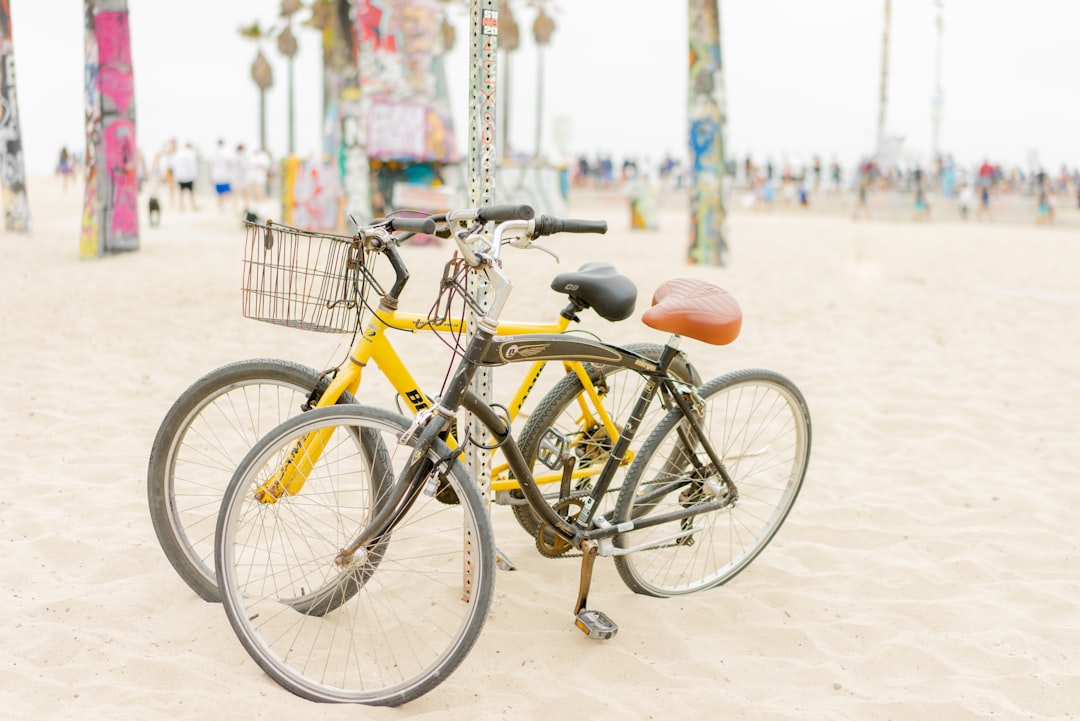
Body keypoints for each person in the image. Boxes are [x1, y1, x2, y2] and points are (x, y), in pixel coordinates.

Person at [209, 139, 236, 211]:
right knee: (226, 192)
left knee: (219, 193)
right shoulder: (227, 153)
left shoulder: (214, 153)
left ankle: (220, 206)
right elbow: (230, 164)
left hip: (216, 176)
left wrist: (210, 176)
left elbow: (211, 166)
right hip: (225, 176)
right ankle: (225, 205)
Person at [173, 142, 199, 212]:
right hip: (189, 176)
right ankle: (193, 206)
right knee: (191, 192)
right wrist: (195, 176)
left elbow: (175, 166)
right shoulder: (191, 155)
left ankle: (181, 206)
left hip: (181, 176)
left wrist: (176, 177)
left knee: (181, 192)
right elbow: (193, 167)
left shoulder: (179, 154)